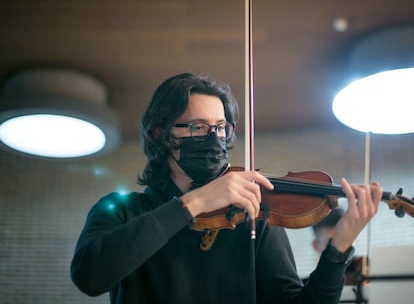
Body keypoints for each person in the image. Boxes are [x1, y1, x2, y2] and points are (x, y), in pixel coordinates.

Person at [70, 72, 383, 304]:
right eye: (197, 127)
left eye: (220, 128)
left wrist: (339, 247)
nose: (213, 137)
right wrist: (192, 203)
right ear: (160, 134)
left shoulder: (253, 216)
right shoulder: (122, 210)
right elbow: (90, 276)